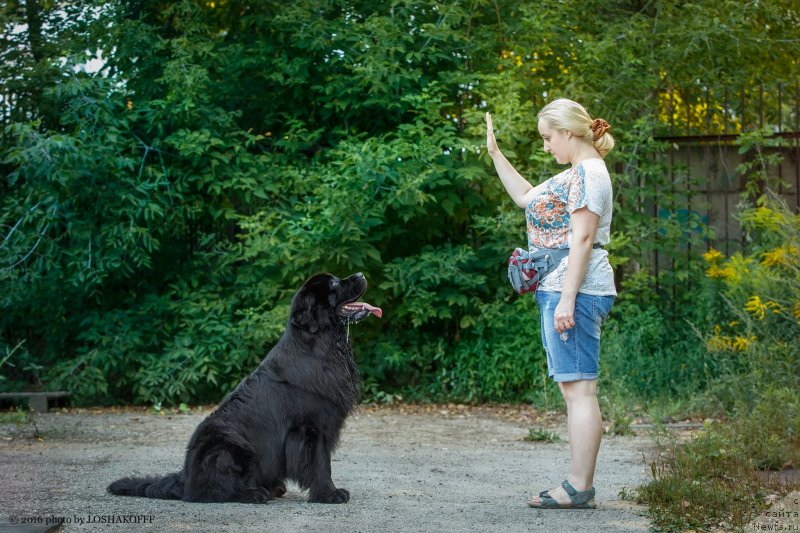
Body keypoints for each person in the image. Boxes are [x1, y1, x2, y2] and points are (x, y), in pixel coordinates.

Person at [485, 98, 617, 509]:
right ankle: (580, 486)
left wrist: (567, 299)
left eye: (547, 138)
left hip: (572, 292)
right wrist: (494, 152)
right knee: (577, 389)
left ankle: (578, 488)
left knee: (579, 390)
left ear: (568, 132)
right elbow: (525, 196)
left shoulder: (590, 174)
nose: (545, 147)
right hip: (563, 289)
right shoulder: (574, 174)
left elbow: (582, 238)